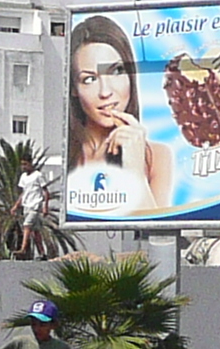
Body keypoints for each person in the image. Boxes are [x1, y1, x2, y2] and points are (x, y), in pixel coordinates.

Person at [64, 15, 173, 215]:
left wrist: (135, 169)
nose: (105, 92)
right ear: (73, 88)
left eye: (116, 72)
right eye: (89, 79)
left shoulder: (156, 156)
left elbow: (156, 230)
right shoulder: (65, 154)